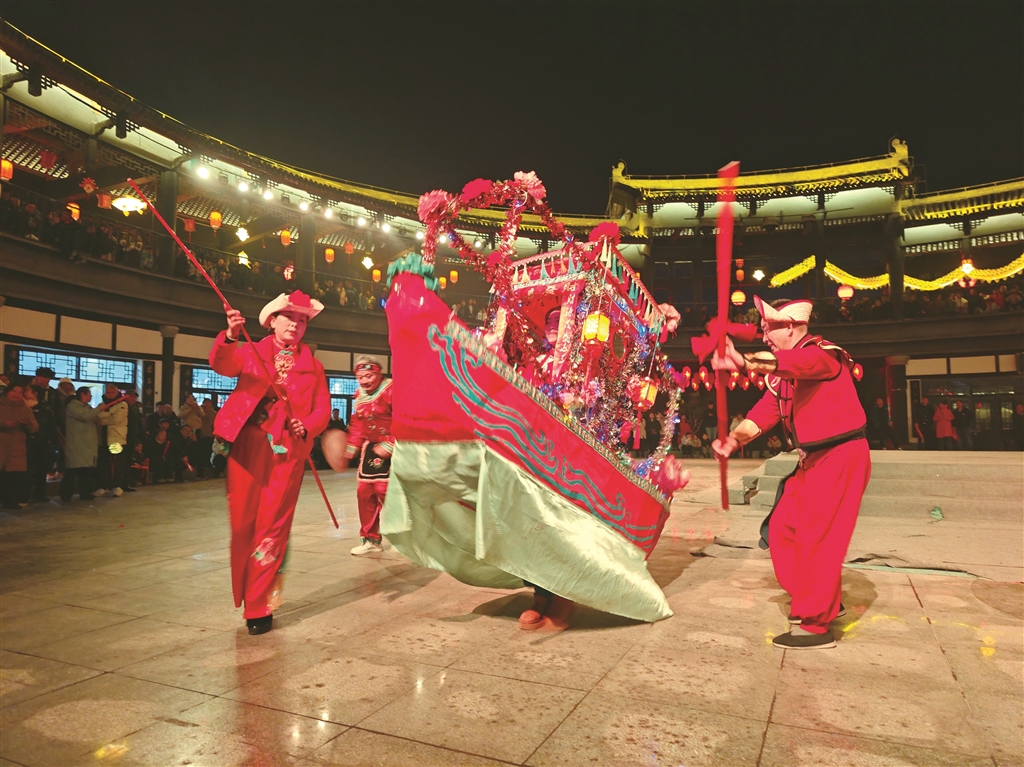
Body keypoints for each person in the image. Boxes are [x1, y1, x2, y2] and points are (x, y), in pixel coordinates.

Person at [712, 296, 870, 650]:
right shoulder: (783, 376)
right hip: (810, 461)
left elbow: (798, 363)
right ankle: (821, 599)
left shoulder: (822, 355)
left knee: (818, 537)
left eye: (768, 328)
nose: (764, 335)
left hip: (840, 456)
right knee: (783, 528)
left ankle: (815, 625)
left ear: (790, 327)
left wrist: (744, 361)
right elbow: (761, 415)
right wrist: (732, 441)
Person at [211, 291, 330, 635]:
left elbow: (322, 410)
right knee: (242, 524)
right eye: (289, 317)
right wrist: (231, 335)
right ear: (272, 321)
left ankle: (258, 605)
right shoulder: (250, 351)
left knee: (273, 526)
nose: (296, 324)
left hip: (287, 450)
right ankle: (245, 587)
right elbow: (222, 365)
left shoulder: (314, 367)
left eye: (302, 320)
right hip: (247, 445)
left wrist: (307, 425)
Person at [342, 356, 394, 556]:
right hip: (371, 449)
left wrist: (390, 443)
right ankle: (371, 539)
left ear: (379, 373)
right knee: (364, 492)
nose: (364, 381)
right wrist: (352, 446)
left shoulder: (391, 390)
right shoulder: (359, 396)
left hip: (395, 447)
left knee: (385, 491)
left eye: (369, 376)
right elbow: (358, 424)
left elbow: (404, 418)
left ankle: (406, 538)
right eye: (360, 377)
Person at [1, 382, 38, 509]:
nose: (16, 395)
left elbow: (34, 427)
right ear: (7, 391)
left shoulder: (24, 408)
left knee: (14, 475)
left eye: (19, 392)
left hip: (17, 445)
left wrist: (27, 423)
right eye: (14, 391)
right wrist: (4, 424)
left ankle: (11, 501)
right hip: (2, 443)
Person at [61, 387, 100, 501]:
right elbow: (85, 416)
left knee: (86, 470)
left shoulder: (87, 407)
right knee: (72, 470)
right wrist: (99, 408)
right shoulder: (73, 406)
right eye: (89, 394)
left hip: (87, 444)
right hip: (76, 443)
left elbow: (93, 416)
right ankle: (66, 494)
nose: (91, 396)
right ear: (82, 394)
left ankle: (85, 493)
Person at [95, 384, 130, 497]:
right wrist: (107, 415)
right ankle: (103, 486)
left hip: (116, 439)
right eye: (108, 393)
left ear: (117, 393)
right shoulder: (102, 404)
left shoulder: (122, 404)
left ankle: (118, 486)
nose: (110, 395)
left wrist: (104, 419)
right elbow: (97, 415)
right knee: (103, 463)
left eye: (112, 393)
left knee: (118, 463)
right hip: (103, 438)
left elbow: (116, 419)